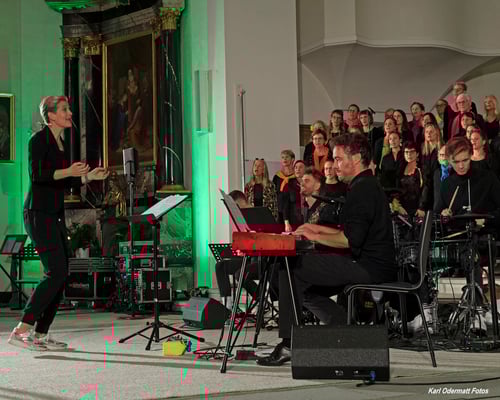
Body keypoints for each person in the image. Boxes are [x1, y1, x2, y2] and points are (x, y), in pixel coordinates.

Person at [257, 133, 396, 366]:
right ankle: (341, 327)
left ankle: (290, 343)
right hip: (371, 264)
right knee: (299, 282)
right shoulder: (365, 185)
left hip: (369, 268)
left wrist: (316, 237)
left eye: (339, 159)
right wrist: (316, 228)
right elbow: (353, 232)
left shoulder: (362, 189)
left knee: (289, 268)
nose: (335, 165)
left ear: (357, 158)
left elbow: (350, 240)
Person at [8, 96, 109, 351]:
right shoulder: (38, 140)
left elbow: (62, 182)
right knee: (55, 271)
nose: (70, 113)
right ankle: (22, 329)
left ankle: (41, 333)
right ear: (51, 115)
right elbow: (38, 175)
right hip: (38, 213)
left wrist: (88, 177)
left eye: (69, 109)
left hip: (54, 215)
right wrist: (70, 171)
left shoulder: (61, 144)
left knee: (62, 273)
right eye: (64, 109)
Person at [272, 150, 295, 223]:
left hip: (293, 210)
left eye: (287, 157)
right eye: (282, 157)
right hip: (279, 209)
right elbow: (273, 193)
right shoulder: (277, 176)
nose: (284, 159)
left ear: (292, 159)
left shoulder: (296, 176)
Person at [283, 160, 306, 233]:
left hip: (308, 220)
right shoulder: (289, 184)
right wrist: (286, 223)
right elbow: (285, 205)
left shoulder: (309, 183)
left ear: (306, 170)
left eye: (300, 167)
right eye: (296, 167)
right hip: (293, 220)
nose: (298, 169)